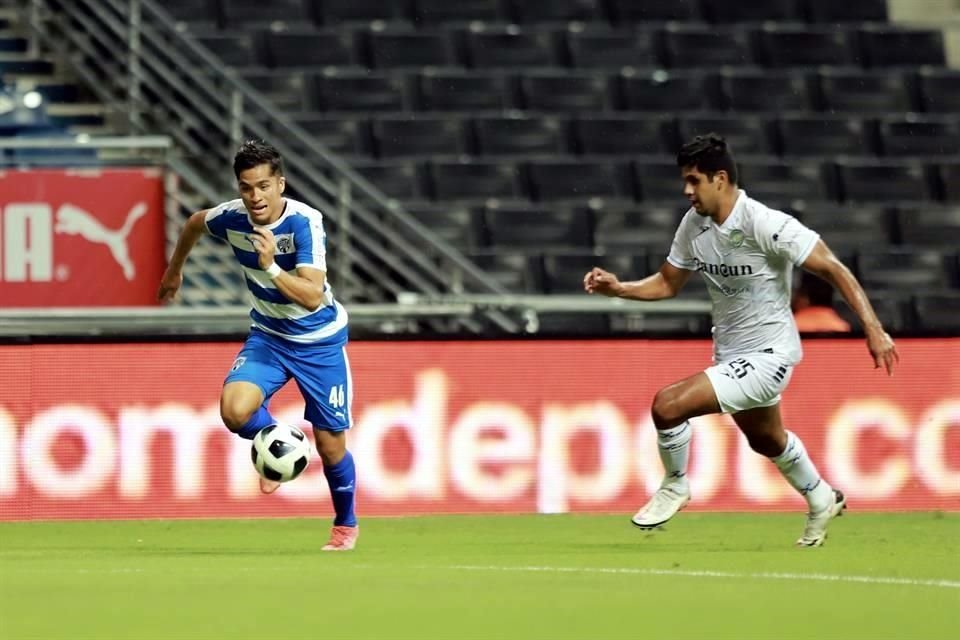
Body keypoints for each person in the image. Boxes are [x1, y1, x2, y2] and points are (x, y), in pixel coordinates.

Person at [583, 134, 898, 547]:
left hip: (771, 355)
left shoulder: (765, 223)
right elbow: (666, 282)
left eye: (694, 181)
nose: (687, 191)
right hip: (731, 352)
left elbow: (834, 269)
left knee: (668, 404)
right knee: (765, 439)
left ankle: (676, 484)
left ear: (720, 178)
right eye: (684, 181)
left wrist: (873, 329)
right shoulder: (693, 226)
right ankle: (822, 496)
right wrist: (619, 289)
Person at [158, 139, 359, 551]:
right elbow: (195, 221)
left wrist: (269, 266)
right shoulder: (232, 217)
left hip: (318, 341)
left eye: (264, 186)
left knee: (331, 445)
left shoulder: (305, 222)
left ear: (280, 184)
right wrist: (174, 271)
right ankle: (276, 441)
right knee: (234, 411)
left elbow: (311, 295)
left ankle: (345, 527)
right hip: (268, 335)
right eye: (247, 187)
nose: (255, 197)